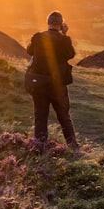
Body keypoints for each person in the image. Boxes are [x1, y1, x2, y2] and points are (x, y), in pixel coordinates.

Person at [25, 11, 78, 148]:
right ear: (61, 25)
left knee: (40, 118)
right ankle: (73, 147)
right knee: (64, 117)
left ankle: (39, 147)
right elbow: (70, 54)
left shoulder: (37, 38)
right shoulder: (64, 40)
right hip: (57, 84)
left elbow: (29, 51)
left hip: (39, 83)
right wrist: (65, 34)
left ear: (48, 22)